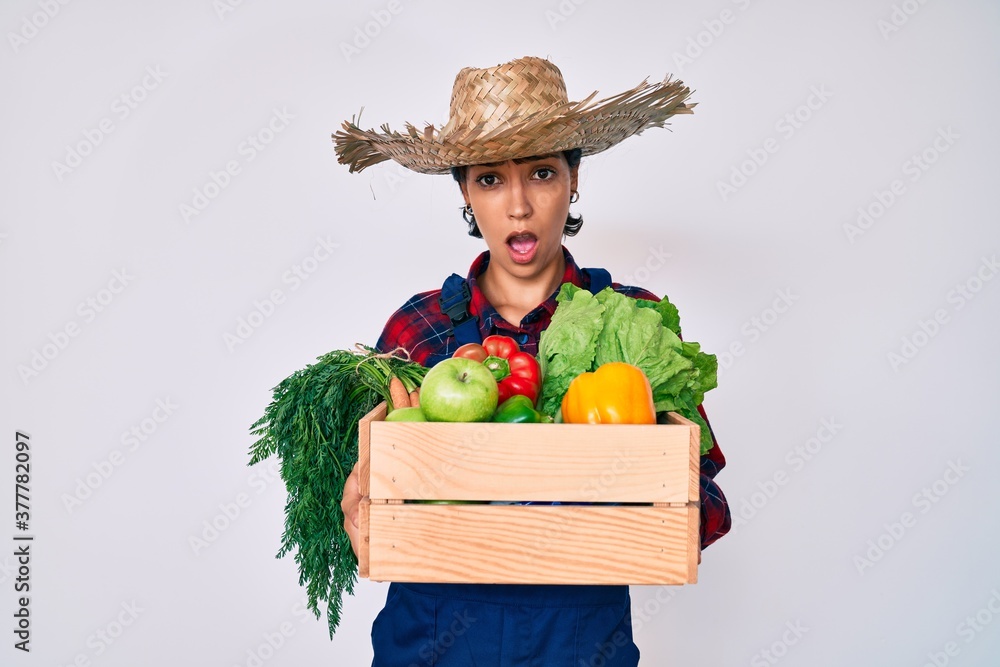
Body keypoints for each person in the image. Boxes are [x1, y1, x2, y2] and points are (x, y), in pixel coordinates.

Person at [335, 55, 730, 667]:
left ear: (574, 180)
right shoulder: (419, 329)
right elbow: (371, 482)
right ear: (465, 192)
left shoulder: (633, 324)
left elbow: (706, 497)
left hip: (579, 642)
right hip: (432, 640)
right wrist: (357, 501)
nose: (518, 205)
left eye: (541, 173)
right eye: (490, 179)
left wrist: (662, 511)